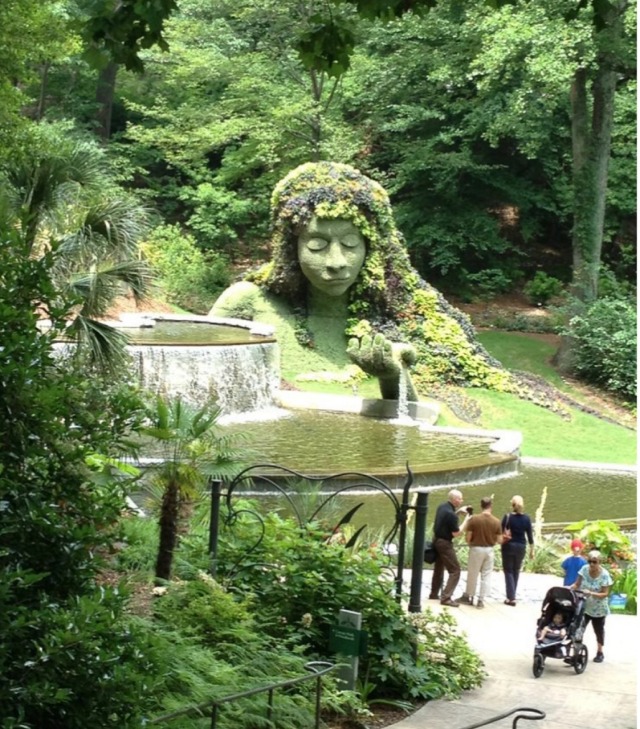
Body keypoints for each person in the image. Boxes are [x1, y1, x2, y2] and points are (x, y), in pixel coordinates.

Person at [209, 161, 510, 401]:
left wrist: (392, 375)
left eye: (351, 244)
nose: (337, 262)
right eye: (316, 245)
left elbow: (418, 426)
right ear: (291, 247)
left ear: (371, 249)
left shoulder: (395, 314)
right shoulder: (245, 301)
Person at [428, 489, 472, 607]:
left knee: (439, 567)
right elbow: (456, 533)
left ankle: (433, 594)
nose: (462, 501)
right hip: (445, 543)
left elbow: (447, 518)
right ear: (455, 500)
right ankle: (446, 597)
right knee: (455, 570)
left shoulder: (442, 507)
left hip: (436, 540)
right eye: (460, 499)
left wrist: (458, 512)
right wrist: (466, 521)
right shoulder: (451, 515)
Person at [570, 550, 613, 663]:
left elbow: (605, 593)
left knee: (598, 630)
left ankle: (600, 652)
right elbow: (577, 584)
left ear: (600, 562)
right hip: (584, 605)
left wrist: (591, 593)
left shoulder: (604, 575)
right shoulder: (584, 569)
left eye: (594, 562)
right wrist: (571, 588)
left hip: (598, 608)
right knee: (579, 629)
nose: (592, 564)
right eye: (590, 561)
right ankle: (576, 653)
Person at [461, 496, 502, 609]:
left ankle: (469, 596)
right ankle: (481, 600)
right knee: (486, 575)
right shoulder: (496, 521)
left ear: (481, 505)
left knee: (473, 573)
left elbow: (468, 537)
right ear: (491, 506)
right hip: (489, 550)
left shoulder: (474, 519)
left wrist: (469, 542)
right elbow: (499, 540)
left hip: (476, 549)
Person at [500, 495, 534, 606]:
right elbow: (530, 536)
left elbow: (501, 531)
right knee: (516, 570)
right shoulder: (527, 518)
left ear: (512, 505)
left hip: (508, 546)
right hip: (521, 546)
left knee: (508, 570)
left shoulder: (508, 517)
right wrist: (531, 551)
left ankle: (511, 597)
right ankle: (512, 595)